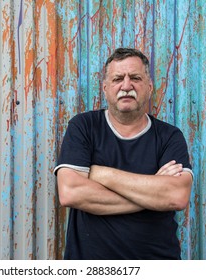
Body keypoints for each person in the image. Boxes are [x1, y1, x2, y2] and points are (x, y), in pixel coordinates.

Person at [54, 48, 193, 259]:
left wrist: (101, 174)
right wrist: (152, 193)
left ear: (149, 87)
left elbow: (176, 196)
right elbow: (71, 192)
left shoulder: (169, 136)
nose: (126, 86)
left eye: (135, 78)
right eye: (118, 78)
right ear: (105, 88)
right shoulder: (84, 127)